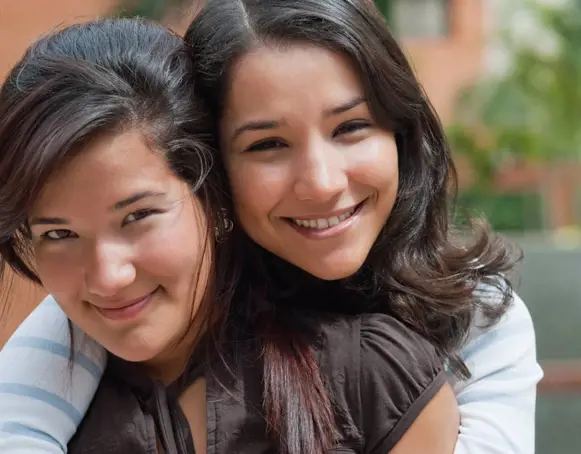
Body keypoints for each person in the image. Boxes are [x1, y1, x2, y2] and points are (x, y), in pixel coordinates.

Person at [0, 0, 543, 452]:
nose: (322, 181)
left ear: (400, 129)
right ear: (217, 172)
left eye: (351, 126)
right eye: (267, 144)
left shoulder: (469, 323)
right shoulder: (96, 317)